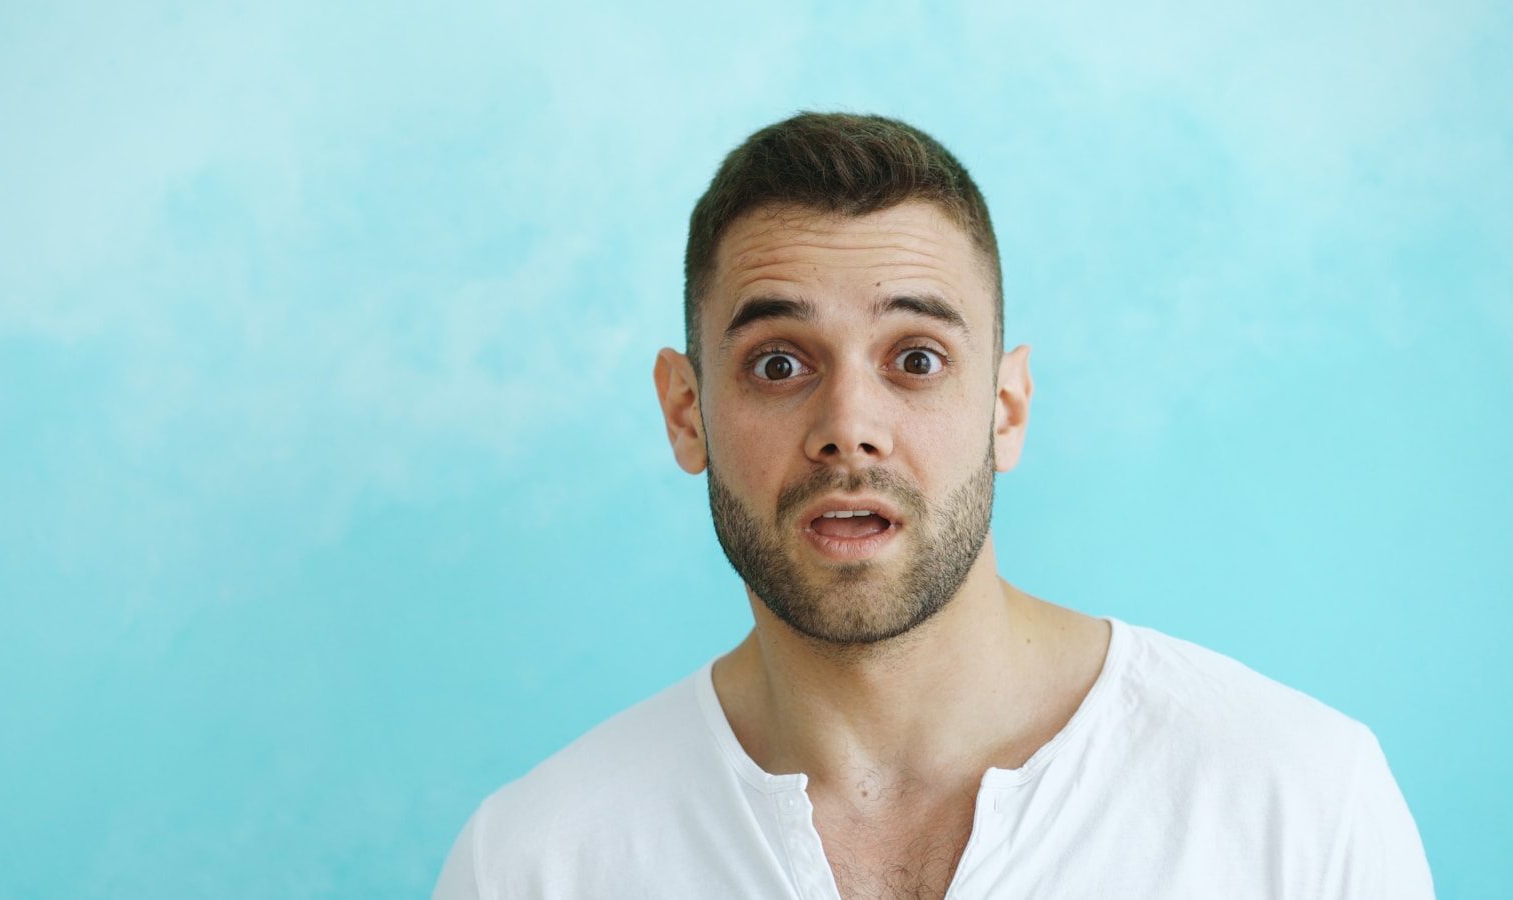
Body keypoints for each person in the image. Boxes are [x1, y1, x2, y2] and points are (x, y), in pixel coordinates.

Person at [433, 112, 1433, 899]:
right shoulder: (534, 863)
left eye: (915, 360)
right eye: (778, 364)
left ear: (1006, 408)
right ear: (686, 414)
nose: (848, 428)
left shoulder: (1299, 799)